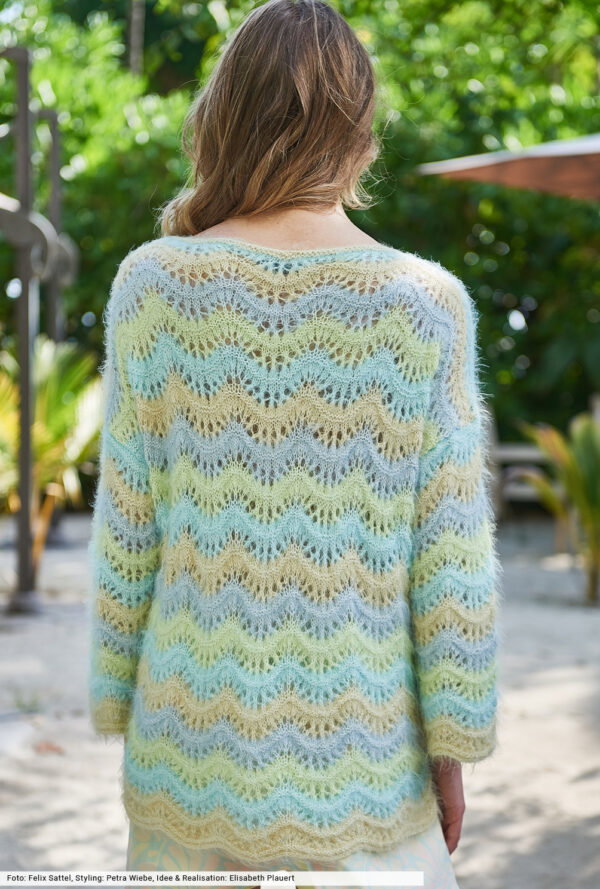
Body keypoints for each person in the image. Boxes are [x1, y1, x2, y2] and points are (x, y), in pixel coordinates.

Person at [87, 2, 501, 888]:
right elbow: (451, 561)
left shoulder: (151, 285)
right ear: (359, 129)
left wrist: (122, 705)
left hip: (186, 764)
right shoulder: (425, 303)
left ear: (224, 116)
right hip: (366, 775)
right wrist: (453, 749)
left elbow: (128, 531)